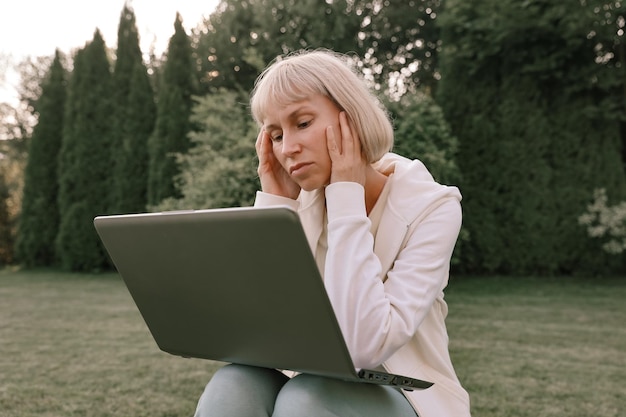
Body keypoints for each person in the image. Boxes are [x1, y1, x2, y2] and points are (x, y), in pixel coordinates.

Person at [193, 49, 471, 417]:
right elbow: (261, 332)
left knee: (305, 398)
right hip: (311, 378)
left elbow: (363, 346)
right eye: (275, 135)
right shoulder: (300, 202)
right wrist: (276, 210)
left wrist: (346, 197)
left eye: (302, 123)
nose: (288, 148)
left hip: (411, 397)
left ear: (351, 120)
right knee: (233, 384)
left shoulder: (433, 206)